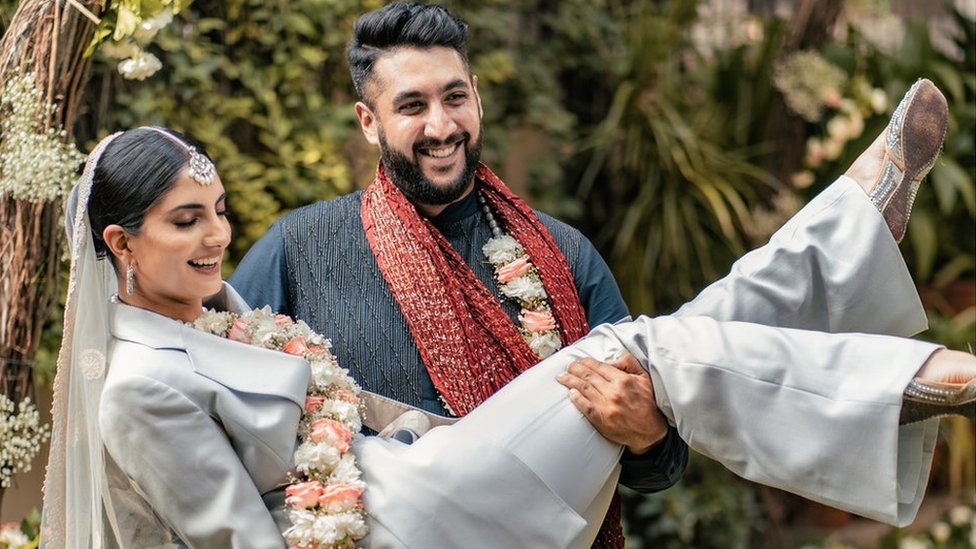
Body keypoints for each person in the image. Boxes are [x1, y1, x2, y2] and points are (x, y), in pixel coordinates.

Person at [40, 118, 974, 548]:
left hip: (428, 463)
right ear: (120, 242)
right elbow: (241, 540)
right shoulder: (137, 385)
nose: (215, 237)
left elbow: (341, 401)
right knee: (636, 343)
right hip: (392, 528)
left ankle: (857, 258)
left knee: (659, 340)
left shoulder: (220, 317)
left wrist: (435, 428)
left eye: (215, 211)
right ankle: (866, 273)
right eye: (184, 221)